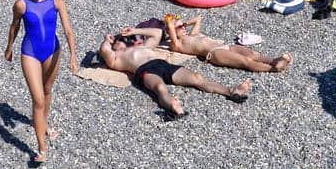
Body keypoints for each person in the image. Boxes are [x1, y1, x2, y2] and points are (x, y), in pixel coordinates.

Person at [4, 0, 77, 164]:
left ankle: (44, 124)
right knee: (38, 100)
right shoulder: (21, 4)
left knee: (47, 90)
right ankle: (41, 148)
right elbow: (14, 26)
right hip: (30, 52)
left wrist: (73, 56)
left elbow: (68, 30)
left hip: (52, 50)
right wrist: (9, 47)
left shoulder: (56, 0)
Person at [97, 32, 251, 118]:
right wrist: (106, 40)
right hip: (144, 69)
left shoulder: (141, 47)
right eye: (115, 42)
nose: (119, 42)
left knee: (197, 78)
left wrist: (134, 32)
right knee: (159, 87)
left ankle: (231, 91)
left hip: (163, 64)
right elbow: (105, 51)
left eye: (120, 40)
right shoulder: (116, 59)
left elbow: (156, 34)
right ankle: (173, 106)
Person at [130, 14, 292, 72]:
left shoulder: (191, 34)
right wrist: (172, 25)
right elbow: (171, 29)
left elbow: (198, 19)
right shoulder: (176, 44)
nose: (183, 28)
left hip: (224, 46)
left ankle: (275, 60)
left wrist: (184, 24)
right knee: (246, 61)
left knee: (253, 53)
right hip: (214, 54)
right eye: (179, 28)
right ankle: (273, 69)